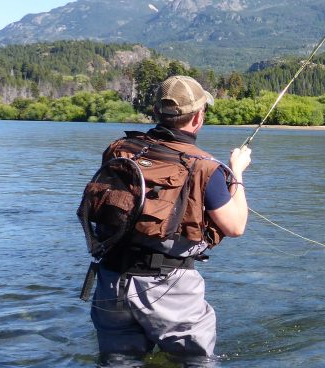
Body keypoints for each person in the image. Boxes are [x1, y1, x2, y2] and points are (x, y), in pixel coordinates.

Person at [88, 76, 252, 366]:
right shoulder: (206, 167)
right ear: (198, 117)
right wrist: (236, 171)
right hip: (168, 287)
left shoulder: (119, 149)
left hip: (111, 281)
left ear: (156, 112)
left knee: (118, 362)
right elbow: (236, 226)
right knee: (195, 363)